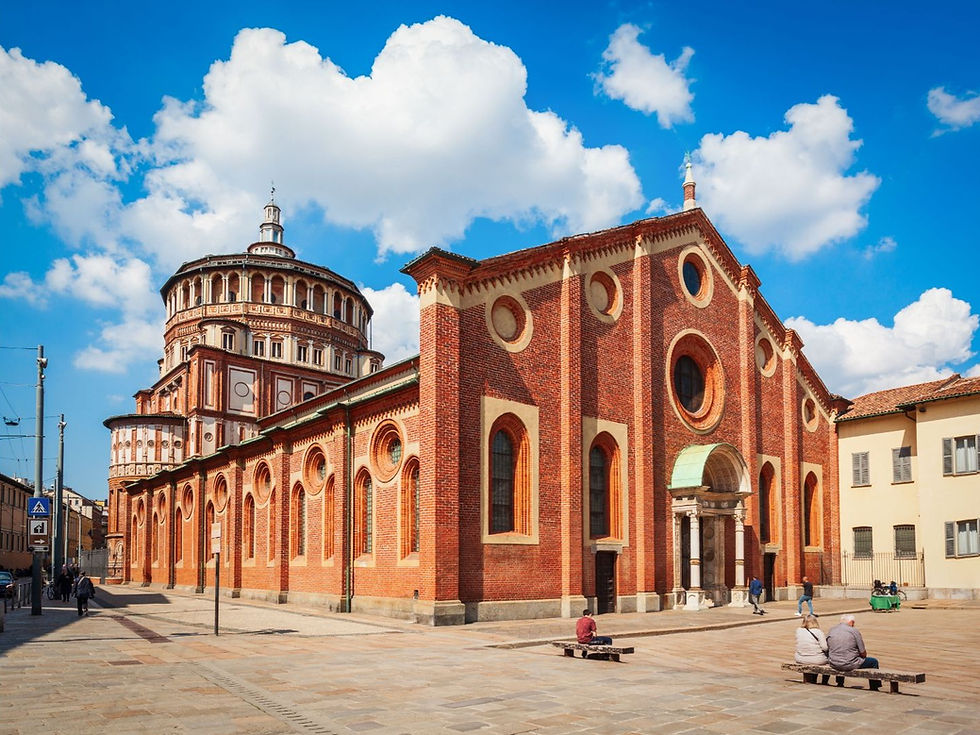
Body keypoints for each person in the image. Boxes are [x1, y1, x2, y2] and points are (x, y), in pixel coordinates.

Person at [827, 614, 881, 689]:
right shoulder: (854, 631)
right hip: (849, 663)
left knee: (840, 655)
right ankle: (874, 686)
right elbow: (863, 652)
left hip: (833, 662)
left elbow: (829, 647)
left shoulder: (832, 630)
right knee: (873, 662)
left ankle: (840, 683)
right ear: (851, 622)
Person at [795, 615, 830, 684]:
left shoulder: (798, 630)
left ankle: (808, 680)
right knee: (828, 660)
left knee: (812, 658)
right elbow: (825, 648)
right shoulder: (818, 632)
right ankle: (824, 682)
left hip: (800, 658)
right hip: (816, 659)